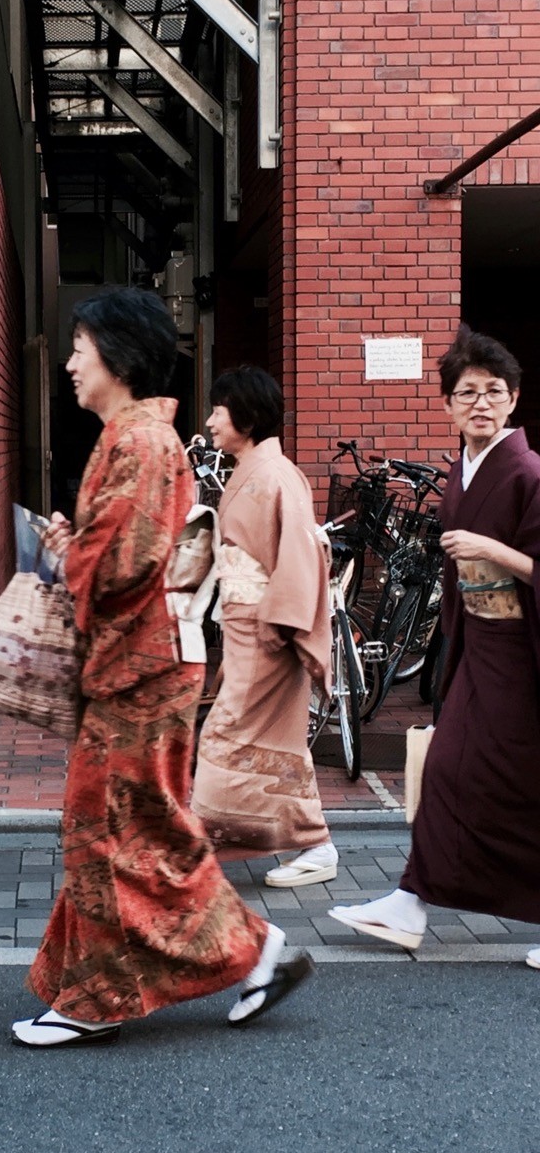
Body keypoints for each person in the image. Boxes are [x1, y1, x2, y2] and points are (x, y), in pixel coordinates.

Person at [11, 290, 313, 1048]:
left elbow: (120, 562)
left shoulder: (140, 443)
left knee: (111, 828)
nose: (71, 362)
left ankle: (114, 992)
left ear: (118, 356)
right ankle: (182, 969)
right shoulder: (140, 437)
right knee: (136, 825)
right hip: (146, 663)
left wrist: (64, 553)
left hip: (138, 669)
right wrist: (75, 542)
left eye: (80, 347)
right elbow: (125, 551)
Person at [329, 325, 540, 958]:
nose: (480, 402)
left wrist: (492, 550)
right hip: (478, 647)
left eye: (493, 391)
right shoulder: (463, 473)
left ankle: (411, 903)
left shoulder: (527, 471)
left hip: (522, 652)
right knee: (452, 772)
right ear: (447, 404)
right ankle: (409, 902)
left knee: (508, 779)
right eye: (466, 392)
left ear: (514, 400)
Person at [191, 368, 337, 888]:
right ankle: (314, 843)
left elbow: (301, 555)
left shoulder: (274, 475)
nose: (209, 420)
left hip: (268, 630)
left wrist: (281, 624)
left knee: (225, 736)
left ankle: (199, 843)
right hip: (249, 627)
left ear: (246, 416)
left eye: (218, 409)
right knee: (274, 745)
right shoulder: (252, 470)